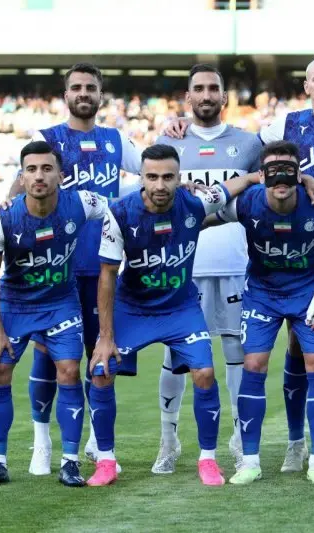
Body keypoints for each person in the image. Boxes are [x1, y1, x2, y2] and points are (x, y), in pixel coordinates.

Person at [166, 57, 314, 472]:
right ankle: (295, 442)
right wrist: (184, 125)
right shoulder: (285, 125)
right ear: (306, 86)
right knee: (296, 346)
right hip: (300, 252)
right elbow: (263, 159)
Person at [89, 144, 259, 487]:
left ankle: (208, 459)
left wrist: (257, 176)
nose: (160, 184)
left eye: (168, 177)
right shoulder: (120, 213)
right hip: (133, 308)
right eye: (152, 177)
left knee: (205, 373)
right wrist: (105, 338)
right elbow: (107, 275)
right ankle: (106, 460)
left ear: (180, 177)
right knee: (101, 372)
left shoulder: (195, 203)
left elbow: (228, 188)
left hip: (180, 308)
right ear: (141, 178)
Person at [8, 62, 142, 475]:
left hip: (103, 267)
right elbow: (19, 186)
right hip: (57, 269)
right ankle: (41, 443)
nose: (84, 93)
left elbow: (154, 172)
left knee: (99, 354)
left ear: (101, 94)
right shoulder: (46, 138)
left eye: (91, 87)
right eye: (77, 87)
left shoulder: (116, 140)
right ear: (65, 94)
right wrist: (7, 207)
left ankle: (95, 443)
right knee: (47, 358)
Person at [0, 141, 109, 487]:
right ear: (21, 177)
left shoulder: (81, 203)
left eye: (47, 169)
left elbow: (119, 209)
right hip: (15, 306)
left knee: (69, 371)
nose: (39, 176)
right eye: (31, 169)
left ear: (61, 175)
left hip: (61, 304)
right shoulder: (2, 218)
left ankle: (70, 462)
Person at [151, 64, 264, 474]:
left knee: (236, 351)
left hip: (235, 263)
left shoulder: (248, 143)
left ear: (224, 96)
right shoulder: (169, 141)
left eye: (213, 88)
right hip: (183, 266)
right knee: (176, 354)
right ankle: (168, 441)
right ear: (188, 97)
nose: (206, 94)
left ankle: (238, 438)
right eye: (198, 88)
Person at [212, 141, 314, 486]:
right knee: (254, 364)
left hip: (307, 294)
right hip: (263, 294)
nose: (280, 177)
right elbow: (202, 215)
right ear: (262, 175)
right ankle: (250, 462)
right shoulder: (246, 203)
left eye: (288, 169)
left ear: (300, 174)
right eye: (272, 170)